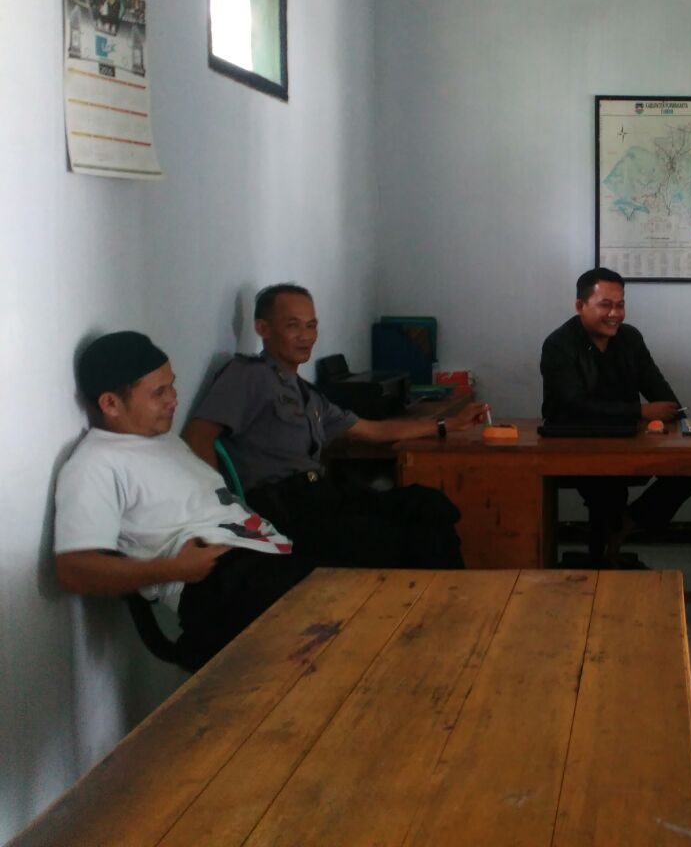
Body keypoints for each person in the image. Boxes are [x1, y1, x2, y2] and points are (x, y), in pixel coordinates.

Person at [183, 284, 489, 570]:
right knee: (411, 541)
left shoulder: (307, 394)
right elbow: (198, 436)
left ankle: (452, 600)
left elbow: (373, 431)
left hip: (322, 497)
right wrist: (225, 511)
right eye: (293, 326)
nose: (305, 336)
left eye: (311, 325)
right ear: (263, 328)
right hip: (284, 512)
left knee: (430, 505)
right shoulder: (248, 375)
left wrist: (447, 424)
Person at [54, 331, 312, 667]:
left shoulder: (165, 440)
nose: (173, 399)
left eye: (171, 386)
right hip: (221, 585)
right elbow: (72, 570)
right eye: (158, 392)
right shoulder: (94, 464)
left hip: (265, 552)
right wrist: (172, 569)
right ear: (111, 404)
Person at [539, 267, 691, 567]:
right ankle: (605, 556)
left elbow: (657, 387)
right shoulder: (559, 345)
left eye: (620, 304)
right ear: (580, 306)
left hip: (627, 440)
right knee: (607, 488)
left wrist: (677, 416)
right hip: (573, 445)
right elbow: (574, 405)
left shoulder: (630, 339)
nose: (615, 313)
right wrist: (640, 412)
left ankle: (628, 523)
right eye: (606, 305)